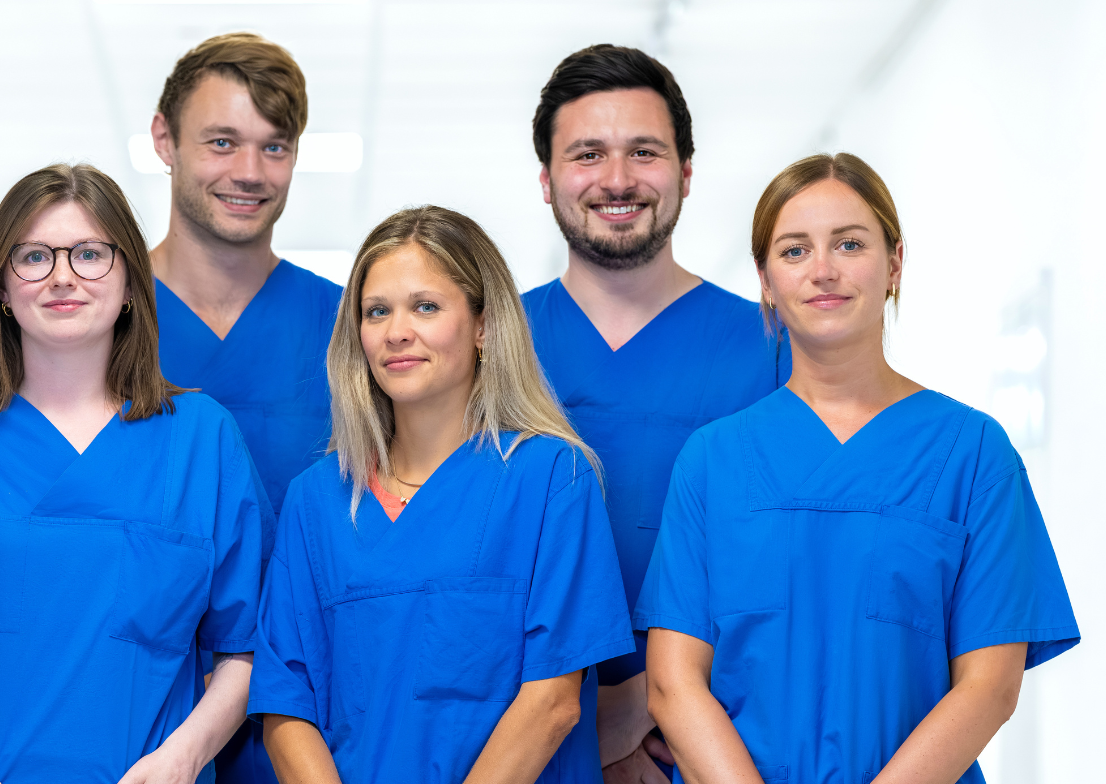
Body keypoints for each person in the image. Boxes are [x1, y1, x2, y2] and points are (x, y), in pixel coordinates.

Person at [637, 153, 1080, 783]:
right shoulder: (711, 461)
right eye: (794, 251)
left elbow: (989, 685)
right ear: (765, 280)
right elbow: (674, 682)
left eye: (849, 244)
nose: (823, 270)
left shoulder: (973, 452)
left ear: (895, 263)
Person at [0, 163, 267, 784]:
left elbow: (244, 650)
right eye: (34, 256)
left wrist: (184, 758)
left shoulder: (202, 441)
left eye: (91, 254)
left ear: (131, 282)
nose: (63, 276)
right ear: (0, 287)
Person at [253, 206, 634, 784]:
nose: (396, 332)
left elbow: (553, 702)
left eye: (425, 306)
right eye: (377, 311)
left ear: (483, 326)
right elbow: (286, 703)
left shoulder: (552, 477)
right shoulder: (316, 500)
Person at [519, 44, 787, 783]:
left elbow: (793, 564)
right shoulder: (489, 349)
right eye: (587, 154)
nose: (617, 179)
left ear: (686, 173)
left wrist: (649, 708)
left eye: (644, 152)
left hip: (715, 747)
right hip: (530, 746)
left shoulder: (770, 350)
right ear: (546, 179)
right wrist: (585, 732)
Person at [147, 32, 343, 784]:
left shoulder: (351, 331)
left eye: (274, 147)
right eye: (222, 141)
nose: (250, 173)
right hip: (144, 699)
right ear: (164, 140)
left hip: (313, 709)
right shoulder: (96, 320)